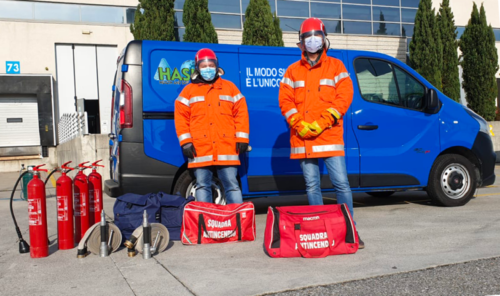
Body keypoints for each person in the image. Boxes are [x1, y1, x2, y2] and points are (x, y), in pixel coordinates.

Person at [278, 18, 364, 248]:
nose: (312, 40)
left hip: (329, 138)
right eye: (308, 36)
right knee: (312, 187)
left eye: (316, 36)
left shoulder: (336, 66)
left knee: (341, 185)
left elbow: (343, 98)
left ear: (324, 39)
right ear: (301, 42)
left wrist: (322, 122)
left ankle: (349, 230)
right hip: (304, 138)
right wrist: (299, 123)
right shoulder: (292, 71)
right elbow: (285, 101)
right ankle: (319, 230)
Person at [174, 48, 249, 205]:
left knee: (232, 186)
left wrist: (242, 138)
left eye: (211, 64)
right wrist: (186, 142)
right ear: (197, 67)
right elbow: (181, 117)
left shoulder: (230, 88)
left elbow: (241, 113)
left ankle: (238, 221)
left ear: (217, 65)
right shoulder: (188, 91)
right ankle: (207, 223)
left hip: (226, 148)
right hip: (200, 149)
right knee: (202, 186)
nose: (208, 68)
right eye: (203, 65)